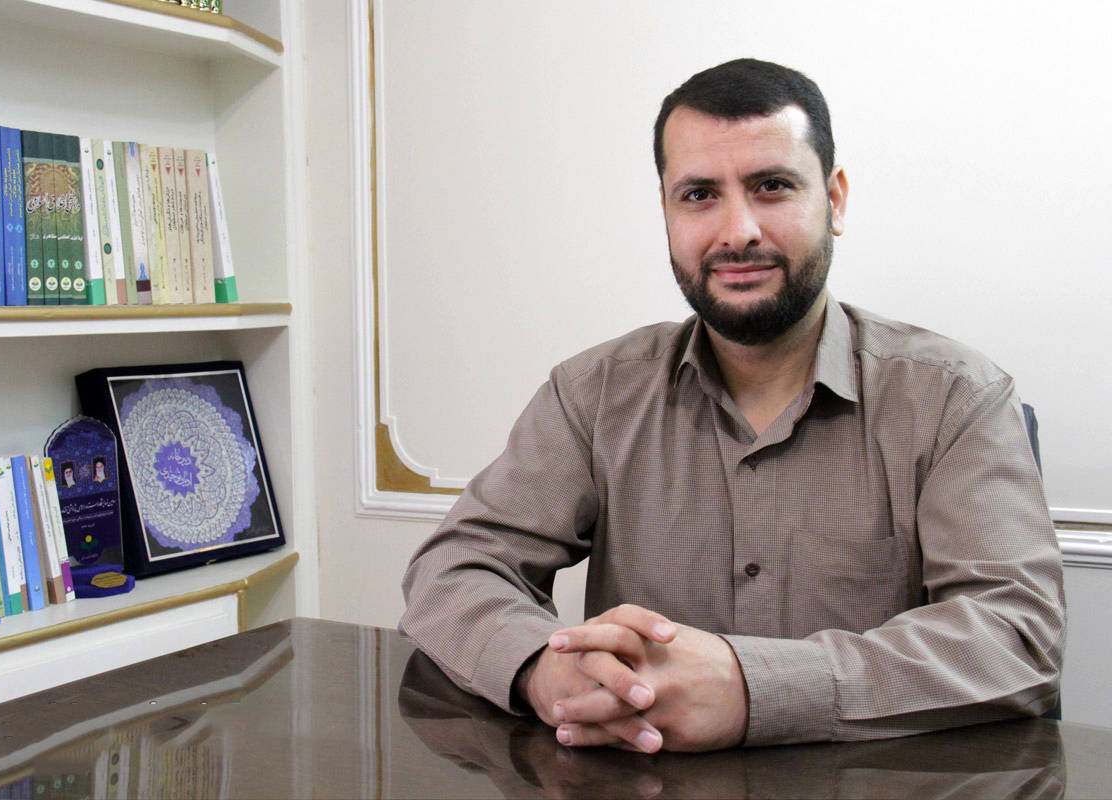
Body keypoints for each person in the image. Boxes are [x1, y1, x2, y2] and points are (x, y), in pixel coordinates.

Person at [400, 59, 1064, 753]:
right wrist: (540, 665)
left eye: (771, 187)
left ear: (835, 200)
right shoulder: (593, 393)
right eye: (699, 195)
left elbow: (1016, 636)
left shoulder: (957, 397)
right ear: (666, 210)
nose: (737, 230)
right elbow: (454, 569)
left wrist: (756, 689)